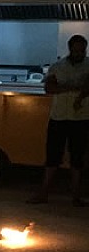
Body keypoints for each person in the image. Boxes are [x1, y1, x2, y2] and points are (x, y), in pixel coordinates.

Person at [27, 34, 89, 207]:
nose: (79, 53)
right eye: (76, 50)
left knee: (78, 158)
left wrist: (77, 93)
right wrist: (73, 87)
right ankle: (44, 193)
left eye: (82, 50)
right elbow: (49, 88)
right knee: (52, 156)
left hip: (81, 118)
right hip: (59, 117)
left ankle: (76, 196)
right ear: (70, 49)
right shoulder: (58, 66)